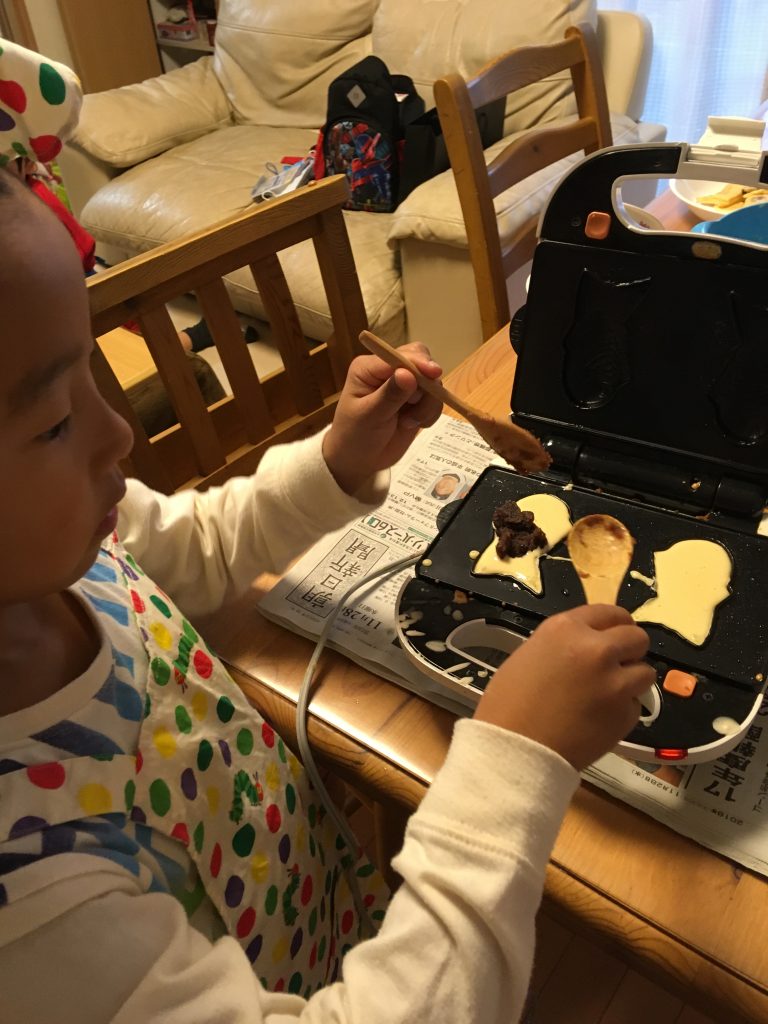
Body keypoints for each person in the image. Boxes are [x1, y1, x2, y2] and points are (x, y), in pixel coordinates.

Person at [0, 162, 655, 1022]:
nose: (119, 432)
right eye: (53, 419)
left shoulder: (72, 546)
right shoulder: (32, 912)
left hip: (306, 908)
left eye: (92, 370)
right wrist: (513, 765)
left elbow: (201, 547)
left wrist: (338, 461)